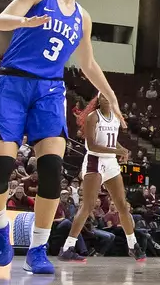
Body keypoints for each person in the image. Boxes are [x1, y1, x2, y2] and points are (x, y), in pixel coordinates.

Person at [0, 0, 121, 274]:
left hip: (51, 90)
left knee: (52, 171)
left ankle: (37, 250)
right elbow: (1, 21)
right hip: (13, 84)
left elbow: (87, 62)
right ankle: (0, 226)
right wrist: (25, 21)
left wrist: (109, 94)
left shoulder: (83, 17)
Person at [61, 95, 144, 261]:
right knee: (88, 205)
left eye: (109, 97)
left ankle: (132, 245)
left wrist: (123, 150)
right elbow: (91, 145)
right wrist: (116, 151)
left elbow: (113, 142)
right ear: (98, 100)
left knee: (122, 205)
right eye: (103, 97)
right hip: (94, 161)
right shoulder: (93, 117)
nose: (107, 99)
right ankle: (67, 247)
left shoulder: (115, 117)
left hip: (110, 163)